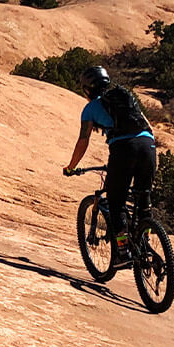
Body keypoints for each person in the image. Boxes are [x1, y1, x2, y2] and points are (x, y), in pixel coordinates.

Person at [63, 66, 156, 261]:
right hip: (148, 146)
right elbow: (147, 124)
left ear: (87, 89)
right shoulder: (126, 98)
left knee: (116, 202)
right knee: (143, 198)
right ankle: (145, 242)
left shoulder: (90, 109)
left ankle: (122, 251)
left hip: (124, 149)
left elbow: (83, 140)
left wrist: (71, 166)